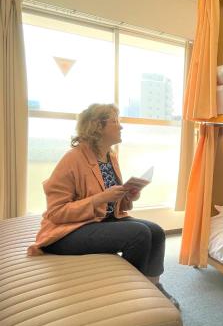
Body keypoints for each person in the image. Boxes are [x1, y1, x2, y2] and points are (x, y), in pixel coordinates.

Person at [27, 103, 179, 308]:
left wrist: (128, 195)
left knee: (157, 231)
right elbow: (56, 213)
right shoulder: (73, 158)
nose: (121, 127)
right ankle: (131, 293)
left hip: (100, 221)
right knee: (139, 233)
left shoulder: (110, 156)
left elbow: (111, 202)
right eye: (115, 122)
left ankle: (153, 286)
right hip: (68, 232)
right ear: (97, 126)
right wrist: (99, 198)